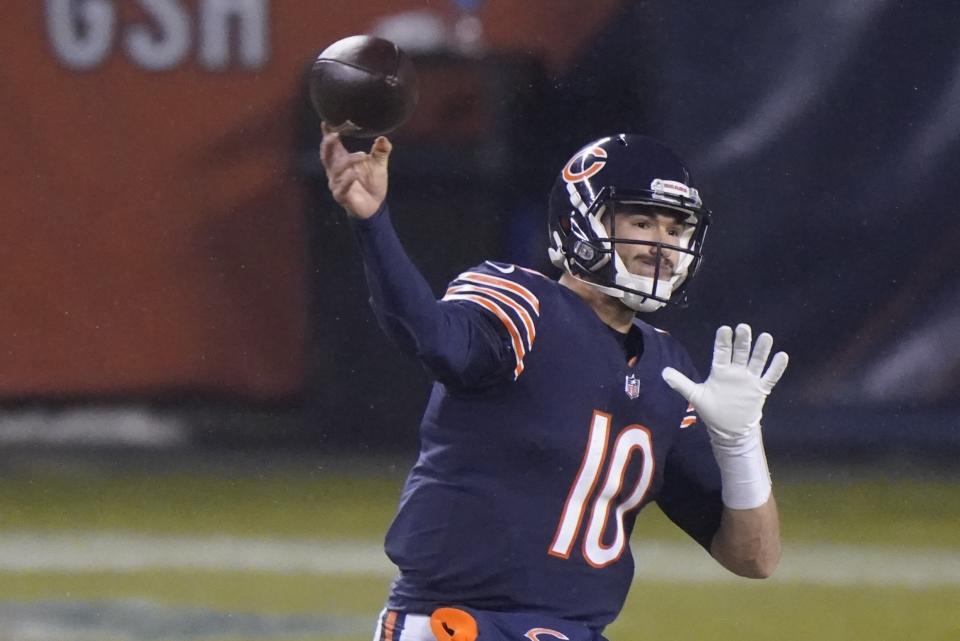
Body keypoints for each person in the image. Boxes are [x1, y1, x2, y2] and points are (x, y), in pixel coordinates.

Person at [320, 126, 789, 641]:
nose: (663, 245)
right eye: (642, 221)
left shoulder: (667, 367)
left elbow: (753, 557)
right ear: (580, 223)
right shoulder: (524, 303)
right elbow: (430, 336)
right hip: (460, 625)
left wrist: (740, 442)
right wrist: (373, 223)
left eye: (676, 230)